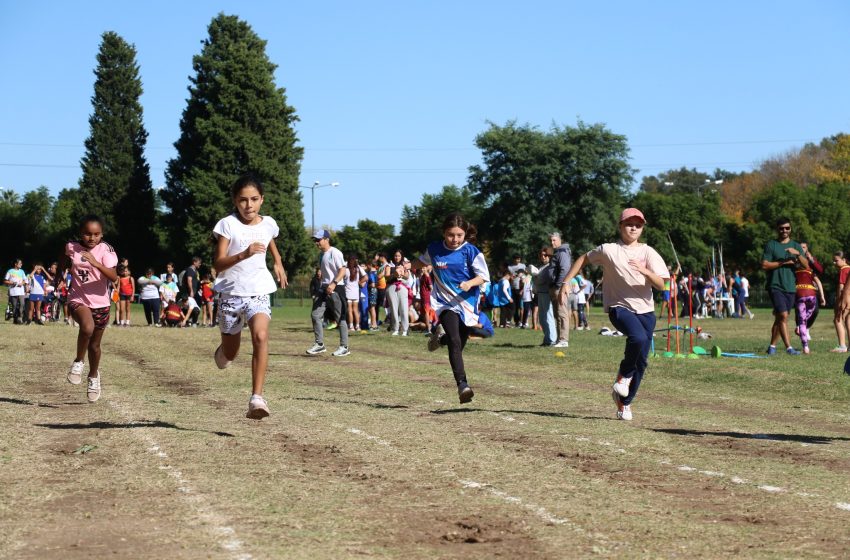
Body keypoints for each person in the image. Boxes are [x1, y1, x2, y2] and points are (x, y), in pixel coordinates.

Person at [563, 208, 669, 421]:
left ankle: (624, 402)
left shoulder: (649, 252)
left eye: (638, 225)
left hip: (646, 312)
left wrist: (646, 271)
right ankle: (623, 377)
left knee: (642, 363)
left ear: (642, 228)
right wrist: (566, 282)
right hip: (619, 307)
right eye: (629, 224)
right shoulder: (609, 250)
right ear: (620, 226)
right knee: (637, 338)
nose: (633, 228)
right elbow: (583, 258)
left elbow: (661, 284)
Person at [211, 174, 287, 419]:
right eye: (243, 200)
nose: (249, 205)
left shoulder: (269, 223)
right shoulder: (227, 225)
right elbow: (218, 263)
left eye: (254, 199)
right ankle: (223, 352)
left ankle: (257, 398)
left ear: (262, 200)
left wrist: (278, 262)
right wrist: (243, 255)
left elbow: (269, 239)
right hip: (231, 294)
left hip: (258, 290)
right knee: (231, 354)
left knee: (261, 335)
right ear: (235, 201)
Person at [420, 213, 490, 404]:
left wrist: (469, 283)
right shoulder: (434, 249)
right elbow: (421, 262)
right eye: (451, 235)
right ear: (444, 233)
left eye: (459, 235)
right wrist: (404, 267)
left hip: (467, 303)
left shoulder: (471, 251)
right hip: (445, 303)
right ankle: (463, 385)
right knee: (455, 340)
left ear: (465, 234)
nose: (455, 239)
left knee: (457, 341)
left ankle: (440, 339)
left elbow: (483, 276)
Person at [64, 215, 119, 403]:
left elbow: (114, 276)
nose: (92, 238)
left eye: (96, 234)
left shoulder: (106, 250)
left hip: (101, 303)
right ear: (81, 233)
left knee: (95, 346)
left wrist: (96, 262)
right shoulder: (72, 246)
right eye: (87, 234)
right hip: (78, 299)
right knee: (86, 327)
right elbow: (64, 257)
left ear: (101, 234)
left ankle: (94, 376)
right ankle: (78, 362)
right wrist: (59, 276)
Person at [761, 217, 803, 355]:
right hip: (775, 285)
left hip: (791, 286)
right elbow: (765, 264)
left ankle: (772, 346)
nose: (784, 230)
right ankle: (789, 348)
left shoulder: (796, 246)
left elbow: (807, 266)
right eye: (781, 228)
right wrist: (783, 263)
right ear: (777, 229)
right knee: (783, 316)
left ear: (790, 229)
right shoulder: (771, 245)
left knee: (780, 318)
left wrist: (798, 255)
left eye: (787, 228)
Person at [307, 229, 350, 356]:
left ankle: (344, 347)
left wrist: (334, 283)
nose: (316, 243)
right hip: (324, 288)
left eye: (319, 240)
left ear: (327, 239)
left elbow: (343, 271)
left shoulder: (335, 253)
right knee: (315, 315)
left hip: (336, 288)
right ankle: (319, 344)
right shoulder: (321, 255)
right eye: (315, 240)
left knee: (340, 318)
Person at [550, 231, 572, 348]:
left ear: (559, 240)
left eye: (554, 240)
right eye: (551, 240)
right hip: (555, 287)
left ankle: (564, 340)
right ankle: (559, 339)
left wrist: (559, 286)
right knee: (557, 314)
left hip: (560, 287)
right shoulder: (557, 252)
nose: (552, 242)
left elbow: (565, 269)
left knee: (562, 314)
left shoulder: (562, 252)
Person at [793, 253, 816, 354]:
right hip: (811, 294)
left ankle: (805, 347)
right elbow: (817, 280)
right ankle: (804, 321)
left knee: (802, 321)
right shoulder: (810, 271)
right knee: (811, 310)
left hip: (800, 294)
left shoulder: (794, 272)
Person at [384, 250, 410, 336]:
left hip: (402, 287)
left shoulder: (404, 265)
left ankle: (405, 329)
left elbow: (407, 277)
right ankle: (395, 328)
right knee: (394, 309)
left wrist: (402, 273)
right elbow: (387, 277)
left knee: (404, 308)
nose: (397, 257)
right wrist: (394, 275)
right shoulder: (389, 265)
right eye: (395, 256)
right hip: (392, 287)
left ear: (401, 256)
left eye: (398, 256)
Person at [534, 247, 556, 346]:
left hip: (547, 293)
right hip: (540, 293)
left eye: (545, 255)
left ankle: (552, 340)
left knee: (548, 316)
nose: (543, 257)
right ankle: (547, 339)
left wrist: (535, 276)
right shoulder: (541, 267)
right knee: (542, 318)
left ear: (550, 256)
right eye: (541, 255)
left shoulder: (551, 266)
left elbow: (544, 280)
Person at [831, 251, 850, 353]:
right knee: (848, 320)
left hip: (845, 298)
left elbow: (841, 287)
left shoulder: (843, 269)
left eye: (836, 260)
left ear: (844, 260)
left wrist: (838, 300)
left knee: (837, 319)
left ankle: (842, 345)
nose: (834, 263)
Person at [344, 255, 365, 332]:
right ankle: (358, 326)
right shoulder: (358, 268)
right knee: (356, 310)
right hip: (356, 292)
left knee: (349, 310)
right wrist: (359, 282)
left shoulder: (346, 270)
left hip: (348, 292)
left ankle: (351, 326)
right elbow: (366, 277)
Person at [5, 259, 27, 324]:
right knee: (14, 306)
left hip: (21, 291)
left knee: (22, 304)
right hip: (13, 291)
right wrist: (11, 282)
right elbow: (5, 280)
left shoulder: (22, 271)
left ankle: (20, 317)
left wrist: (22, 283)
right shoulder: (10, 271)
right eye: (20, 263)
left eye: (21, 263)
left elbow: (25, 280)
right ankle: (15, 319)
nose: (21, 265)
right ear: (15, 264)